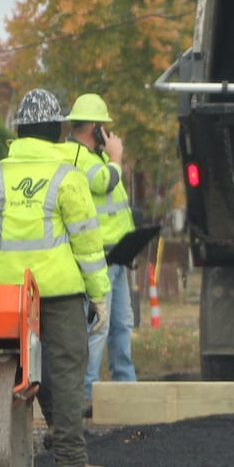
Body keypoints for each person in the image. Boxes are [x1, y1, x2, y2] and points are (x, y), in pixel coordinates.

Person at [0, 89, 112, 467]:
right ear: (56, 129)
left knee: (15, 370)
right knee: (66, 369)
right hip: (61, 293)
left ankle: (2, 459)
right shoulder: (68, 176)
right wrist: (99, 293)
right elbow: (86, 242)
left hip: (9, 295)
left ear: (20, 129)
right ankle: (70, 460)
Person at [66, 93, 137, 407]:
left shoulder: (95, 158)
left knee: (122, 324)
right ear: (94, 127)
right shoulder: (77, 157)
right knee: (100, 326)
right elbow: (104, 182)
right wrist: (117, 158)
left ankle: (126, 388)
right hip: (101, 259)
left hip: (119, 255)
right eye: (103, 127)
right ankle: (86, 395)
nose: (107, 133)